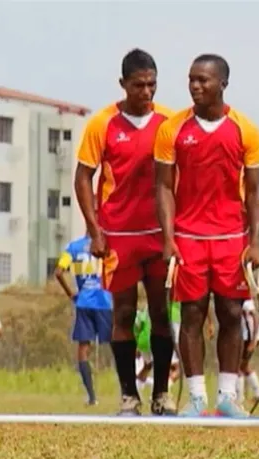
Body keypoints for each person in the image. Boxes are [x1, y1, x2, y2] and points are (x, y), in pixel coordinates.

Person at [155, 54, 259, 418]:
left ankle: (228, 397)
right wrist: (168, 238)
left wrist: (256, 242)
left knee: (231, 312)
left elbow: (255, 190)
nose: (195, 86)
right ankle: (197, 398)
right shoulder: (172, 129)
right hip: (188, 236)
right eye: (192, 79)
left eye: (203, 79)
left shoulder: (246, 130)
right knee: (192, 313)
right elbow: (163, 187)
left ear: (223, 83)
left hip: (232, 237)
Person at [74, 48, 176, 416]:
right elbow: (83, 178)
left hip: (158, 233)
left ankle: (162, 394)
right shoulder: (102, 123)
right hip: (119, 235)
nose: (146, 92)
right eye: (138, 85)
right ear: (123, 84)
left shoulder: (168, 122)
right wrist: (95, 230)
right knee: (124, 314)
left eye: (152, 85)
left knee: (161, 313)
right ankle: (129, 396)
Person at [55, 235, 113, 406]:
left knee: (83, 348)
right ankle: (128, 392)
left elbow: (58, 272)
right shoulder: (109, 244)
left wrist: (70, 294)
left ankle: (91, 397)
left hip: (84, 302)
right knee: (118, 345)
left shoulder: (73, 247)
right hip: (105, 301)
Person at [236, 299, 259, 404]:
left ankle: (239, 399)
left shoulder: (244, 300)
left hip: (250, 337)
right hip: (246, 336)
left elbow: (256, 316)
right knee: (244, 366)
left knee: (237, 366)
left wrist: (253, 340)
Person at [133, 306, 154, 393]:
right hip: (153, 340)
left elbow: (136, 327)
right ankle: (158, 393)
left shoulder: (143, 313)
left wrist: (137, 343)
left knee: (148, 366)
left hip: (143, 342)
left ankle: (136, 390)